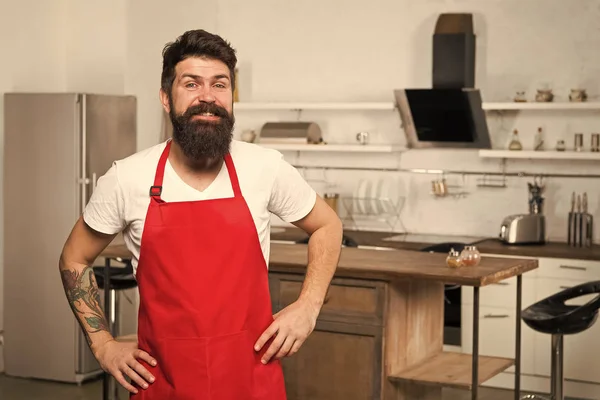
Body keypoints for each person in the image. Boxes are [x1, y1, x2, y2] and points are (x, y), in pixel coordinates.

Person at [58, 29, 343, 399]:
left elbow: (327, 224)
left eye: (220, 85)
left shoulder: (265, 167)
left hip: (251, 383)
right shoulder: (127, 177)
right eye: (191, 84)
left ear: (231, 97)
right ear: (166, 97)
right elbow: (73, 258)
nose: (207, 97)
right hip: (162, 384)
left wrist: (308, 306)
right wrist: (103, 345)